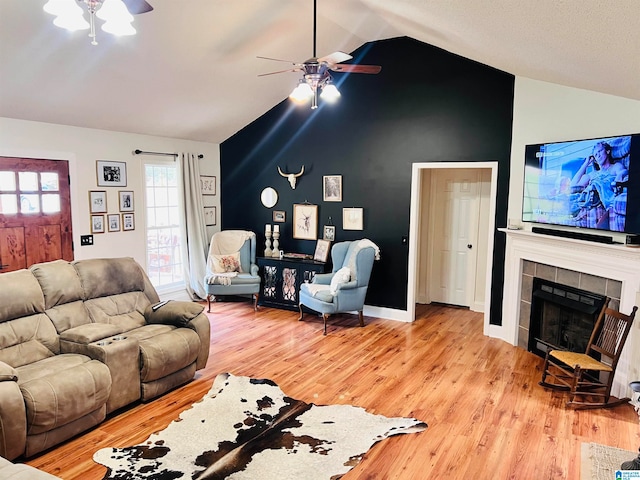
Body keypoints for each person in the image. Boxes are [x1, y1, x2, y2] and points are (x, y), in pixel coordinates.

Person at [570, 141, 628, 211]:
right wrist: (586, 163)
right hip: (587, 201)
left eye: (600, 151)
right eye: (595, 154)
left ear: (607, 151)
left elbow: (623, 172)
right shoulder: (592, 174)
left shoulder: (615, 167)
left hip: (601, 202)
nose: (598, 155)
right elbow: (573, 186)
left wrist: (620, 175)